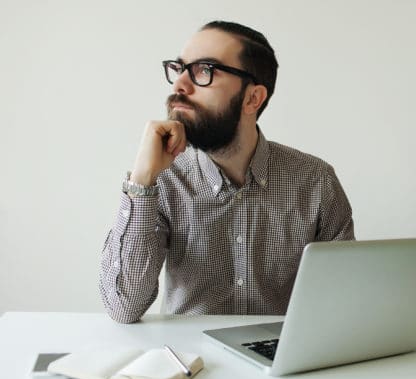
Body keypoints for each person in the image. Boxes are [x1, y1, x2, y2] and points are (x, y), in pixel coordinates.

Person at [99, 21, 355, 323]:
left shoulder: (316, 182)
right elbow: (122, 307)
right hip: (191, 363)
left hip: (280, 364)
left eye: (204, 70)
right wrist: (141, 180)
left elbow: (340, 303)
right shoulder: (163, 181)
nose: (180, 84)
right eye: (180, 68)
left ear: (252, 98)